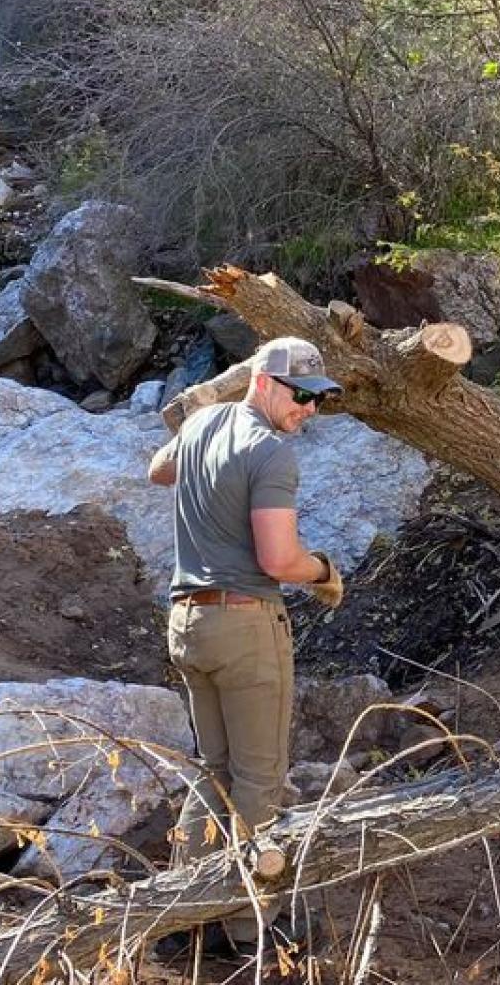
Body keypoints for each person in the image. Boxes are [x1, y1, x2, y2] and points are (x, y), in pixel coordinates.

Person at [147, 336, 346, 954]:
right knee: (259, 779)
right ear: (263, 382)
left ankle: (178, 916)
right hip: (244, 627)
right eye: (300, 396)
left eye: (316, 401)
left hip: (187, 625)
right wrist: (323, 572)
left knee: (215, 772)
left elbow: (158, 471)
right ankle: (247, 928)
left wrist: (208, 432)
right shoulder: (271, 454)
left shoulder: (207, 421)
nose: (308, 411)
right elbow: (280, 559)